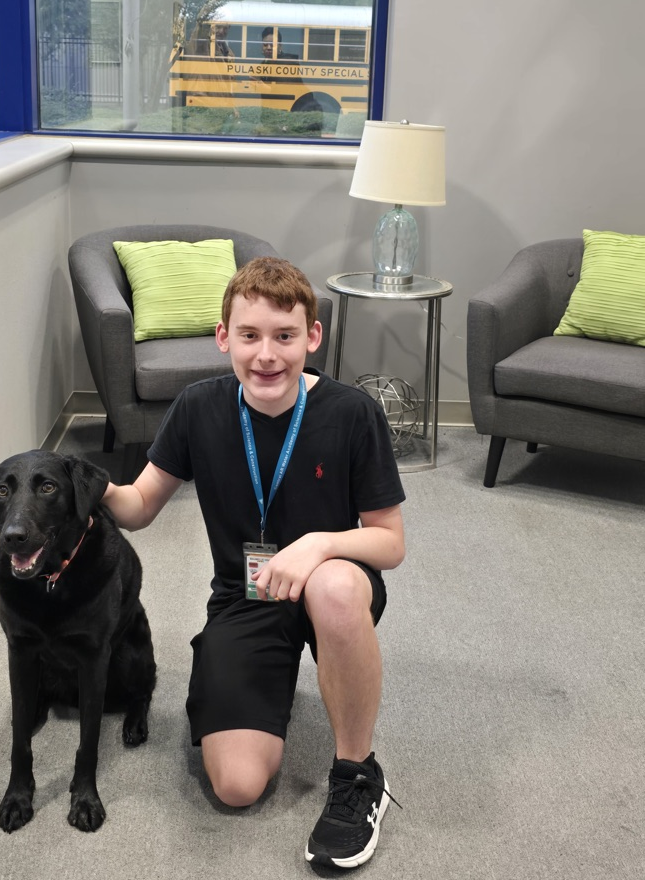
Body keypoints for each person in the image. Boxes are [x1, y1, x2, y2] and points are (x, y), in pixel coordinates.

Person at [102, 256, 406, 870]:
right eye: (249, 336)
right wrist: (88, 488)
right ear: (223, 339)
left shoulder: (352, 413)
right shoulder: (197, 408)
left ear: (312, 338)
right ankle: (268, 682)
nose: (267, 355)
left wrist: (320, 544)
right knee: (236, 787)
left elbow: (389, 543)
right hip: (248, 596)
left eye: (285, 336)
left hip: (333, 586)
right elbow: (137, 508)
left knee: (337, 588)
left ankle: (357, 774)